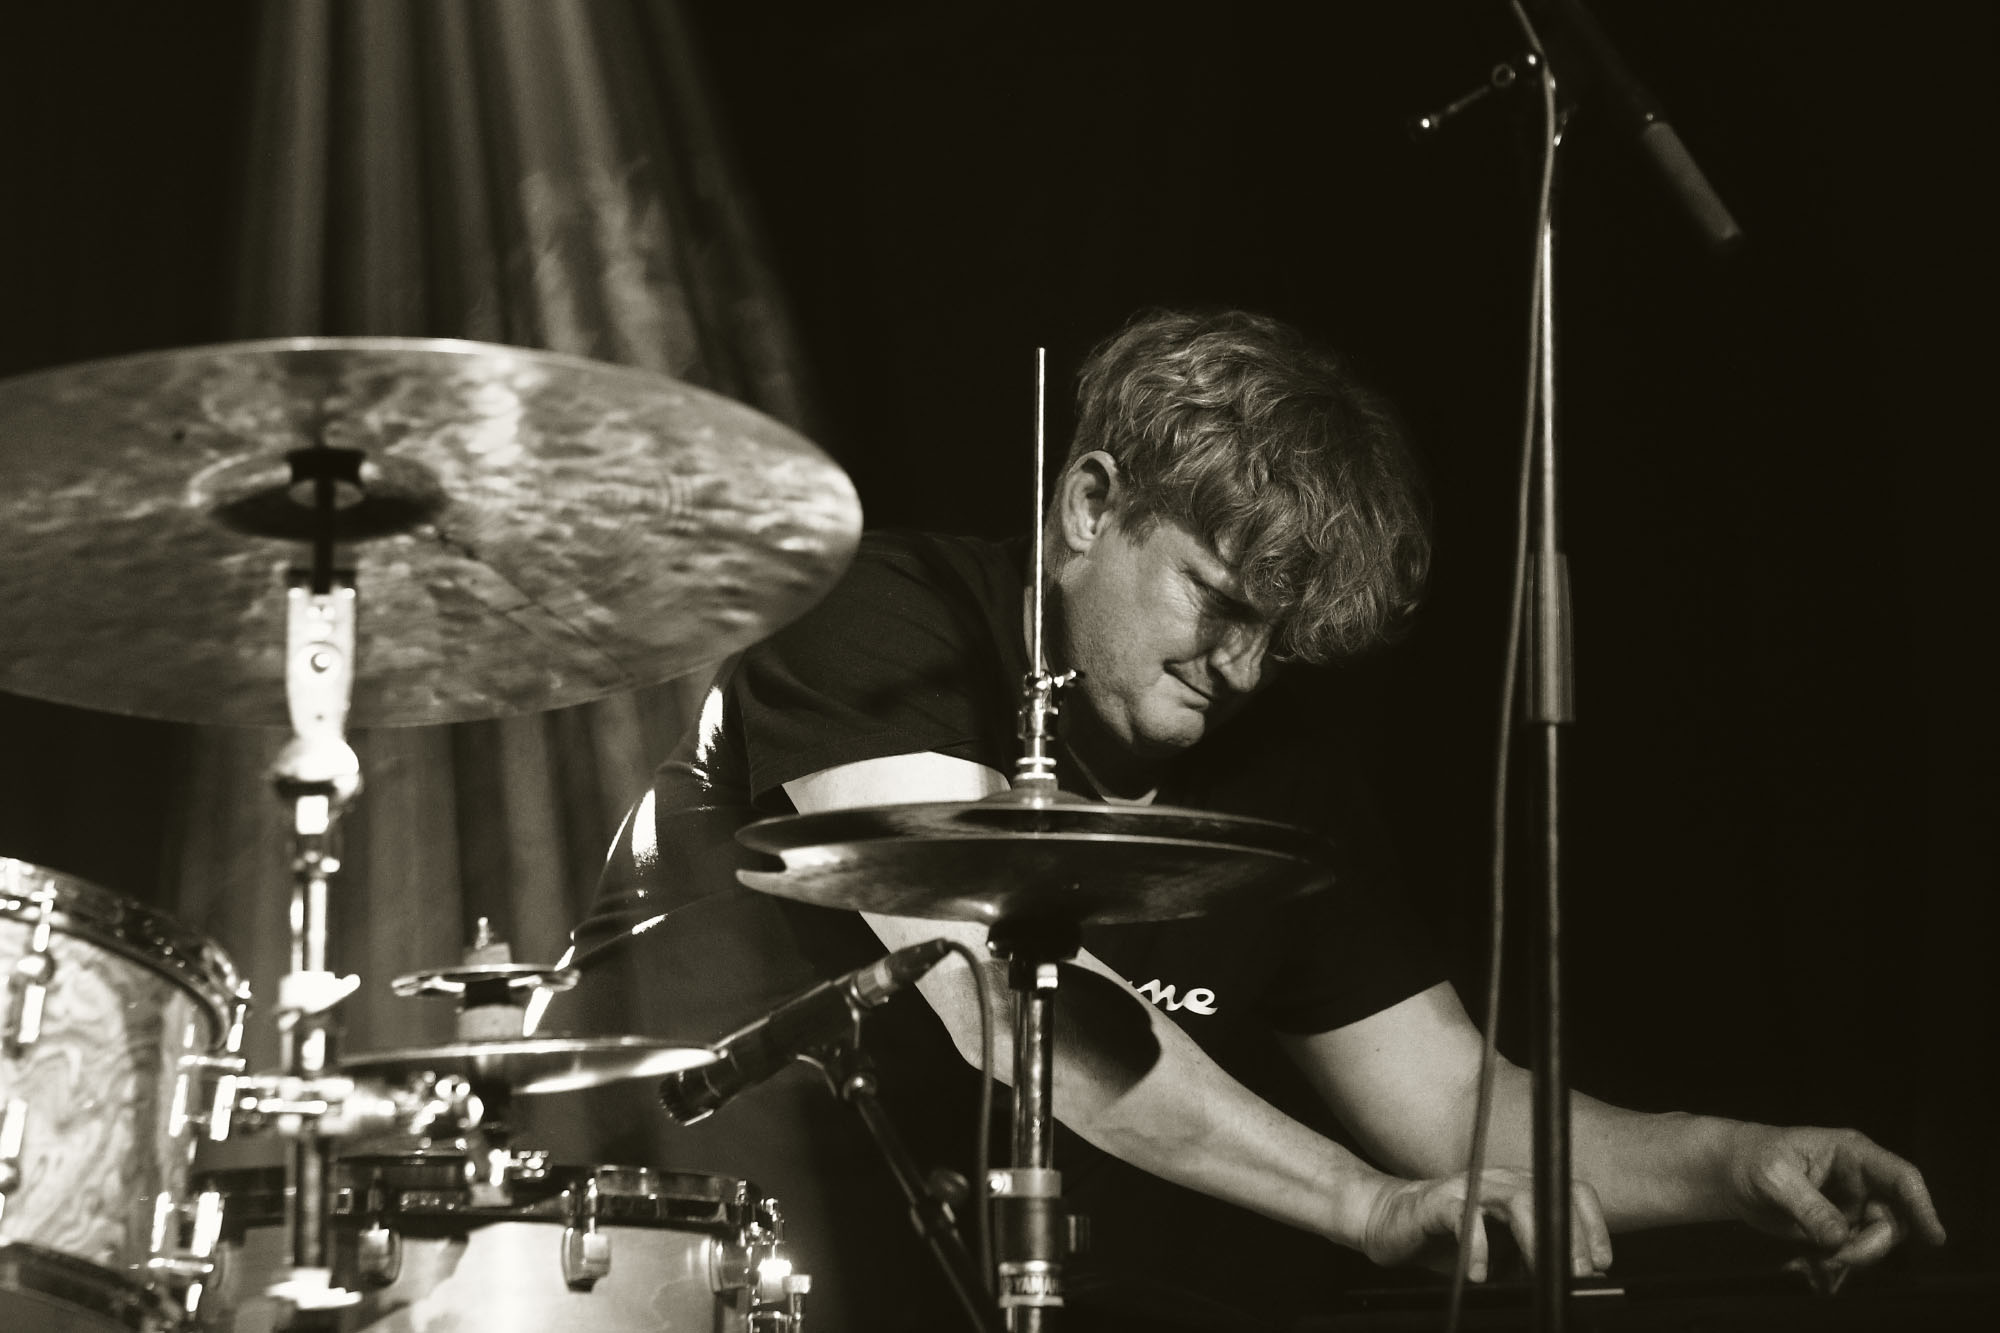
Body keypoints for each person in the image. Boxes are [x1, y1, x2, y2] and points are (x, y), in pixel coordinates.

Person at [548, 308, 1944, 1332]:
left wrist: (1735, 1164)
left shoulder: (1276, 768)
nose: (1245, 669)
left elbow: (1447, 1100)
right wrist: (1358, 1202)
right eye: (1216, 600)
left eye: (1279, 634)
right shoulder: (875, 622)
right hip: (631, 1256)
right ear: (1089, 505)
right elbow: (997, 986)